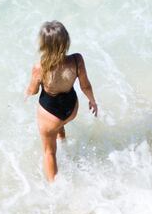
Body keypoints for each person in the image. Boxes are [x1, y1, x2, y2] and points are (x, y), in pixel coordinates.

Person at [24, 20, 98, 182]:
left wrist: (26, 93)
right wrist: (92, 101)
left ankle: (55, 190)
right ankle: (63, 140)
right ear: (66, 41)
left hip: (50, 115)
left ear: (43, 45)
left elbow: (34, 90)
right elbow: (85, 86)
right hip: (71, 109)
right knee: (60, 123)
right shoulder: (77, 60)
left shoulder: (40, 67)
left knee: (49, 153)